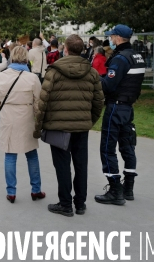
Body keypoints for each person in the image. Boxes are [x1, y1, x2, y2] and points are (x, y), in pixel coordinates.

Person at [34, 35, 104, 217]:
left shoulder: (54, 72)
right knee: (81, 165)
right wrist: (89, 121)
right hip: (80, 127)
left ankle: (66, 203)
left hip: (59, 127)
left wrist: (38, 128)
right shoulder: (91, 73)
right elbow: (99, 102)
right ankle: (80, 203)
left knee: (62, 166)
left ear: (65, 49)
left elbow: (43, 102)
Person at [95, 24, 145, 206]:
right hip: (128, 107)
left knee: (108, 148)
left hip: (115, 107)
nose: (109, 39)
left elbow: (108, 85)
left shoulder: (120, 59)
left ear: (117, 38)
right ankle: (129, 188)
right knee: (127, 146)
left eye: (111, 36)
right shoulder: (137, 57)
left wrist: (96, 78)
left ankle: (115, 190)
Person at [0, 46, 45, 204]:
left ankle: (11, 192)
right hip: (26, 117)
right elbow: (38, 103)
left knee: (10, 155)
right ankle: (36, 189)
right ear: (26, 58)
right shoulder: (32, 78)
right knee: (32, 154)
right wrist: (38, 120)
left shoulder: (0, 77)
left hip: (8, 117)